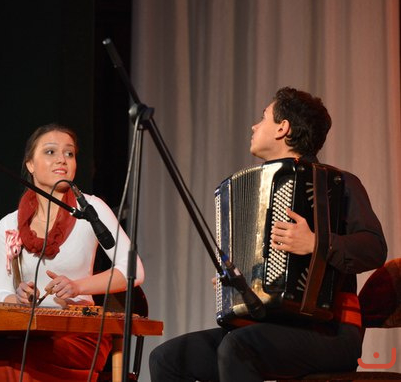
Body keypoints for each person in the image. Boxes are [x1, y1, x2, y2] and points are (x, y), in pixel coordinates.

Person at [149, 87, 388, 381]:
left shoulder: (338, 183)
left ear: (282, 128)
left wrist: (315, 243)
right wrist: (235, 283)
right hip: (268, 327)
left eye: (263, 118)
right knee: (167, 358)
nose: (254, 126)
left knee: (237, 348)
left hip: (332, 331)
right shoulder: (257, 188)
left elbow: (374, 248)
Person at [0, 123, 145, 382]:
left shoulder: (90, 209)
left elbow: (133, 270)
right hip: (30, 332)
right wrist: (19, 298)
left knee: (14, 359)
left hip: (79, 334)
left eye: (69, 153)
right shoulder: (8, 224)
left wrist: (78, 286)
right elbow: (0, 293)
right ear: (30, 164)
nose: (62, 159)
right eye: (50, 152)